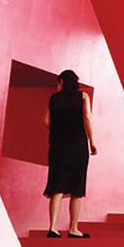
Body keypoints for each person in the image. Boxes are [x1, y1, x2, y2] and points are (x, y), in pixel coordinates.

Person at [42, 69, 97, 237]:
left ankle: (53, 228)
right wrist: (92, 141)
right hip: (77, 144)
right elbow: (87, 118)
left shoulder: (53, 99)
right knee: (77, 186)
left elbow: (45, 121)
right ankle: (73, 229)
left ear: (61, 81)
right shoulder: (83, 97)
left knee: (57, 184)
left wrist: (58, 129)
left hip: (58, 145)